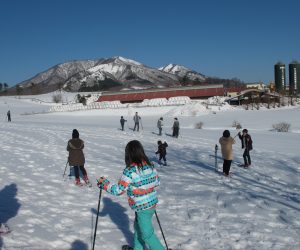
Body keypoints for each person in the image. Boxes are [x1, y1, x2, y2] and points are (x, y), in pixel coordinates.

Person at [97, 140, 164, 250]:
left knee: (147, 235)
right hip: (151, 205)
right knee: (138, 228)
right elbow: (157, 182)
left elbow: (119, 190)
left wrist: (105, 184)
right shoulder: (150, 166)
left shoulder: (130, 171)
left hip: (143, 208)